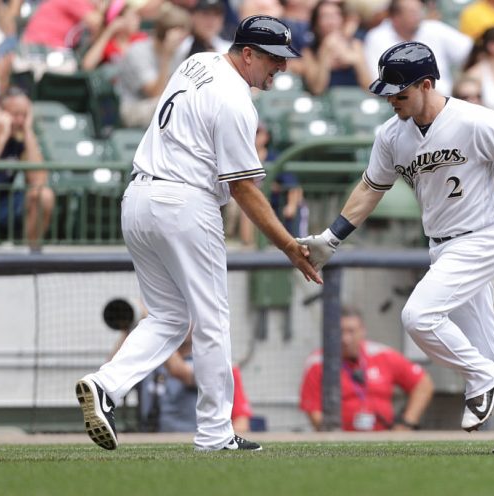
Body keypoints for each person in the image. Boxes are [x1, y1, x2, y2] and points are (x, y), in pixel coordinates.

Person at [75, 15, 322, 453]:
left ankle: (105, 385)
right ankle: (214, 433)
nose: (280, 68)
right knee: (211, 321)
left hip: (138, 199)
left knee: (170, 318)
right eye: (273, 58)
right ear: (246, 53)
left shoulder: (199, 61)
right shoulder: (235, 101)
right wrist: (288, 245)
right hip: (185, 203)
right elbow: (244, 188)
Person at [297, 41, 494, 456]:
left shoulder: (473, 119)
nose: (392, 102)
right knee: (485, 342)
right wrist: (332, 236)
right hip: (441, 244)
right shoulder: (392, 135)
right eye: (388, 95)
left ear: (426, 84)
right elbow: (370, 188)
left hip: (482, 237)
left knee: (418, 317)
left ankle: (482, 376)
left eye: (400, 94)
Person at [300, 306, 434, 431]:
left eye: (351, 331)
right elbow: (314, 411)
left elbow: (423, 384)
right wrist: (333, 435)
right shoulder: (318, 363)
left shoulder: (382, 355)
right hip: (341, 439)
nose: (345, 339)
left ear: (362, 331)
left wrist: (406, 424)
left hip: (385, 438)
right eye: (340, 332)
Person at [0, 87, 54, 247]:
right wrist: (1, 138)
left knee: (44, 195)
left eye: (25, 115)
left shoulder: (22, 136)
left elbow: (39, 180)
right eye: (15, 114)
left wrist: (29, 132)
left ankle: (31, 259)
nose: (20, 121)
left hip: (6, 201)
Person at [142, 336, 253, 433]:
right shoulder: (148, 362)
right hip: (153, 441)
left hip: (197, 443)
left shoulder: (221, 364)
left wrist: (155, 330)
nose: (181, 320)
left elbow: (241, 423)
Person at [363, 0, 472, 96]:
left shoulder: (433, 28)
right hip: (399, 101)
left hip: (444, 100)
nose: (418, 16)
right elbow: (379, 80)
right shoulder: (377, 37)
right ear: (395, 17)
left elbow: (472, 51)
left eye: (419, 11)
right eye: (412, 12)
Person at [115, 4, 192, 128]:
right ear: (165, 34)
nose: (182, 40)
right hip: (134, 109)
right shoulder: (138, 51)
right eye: (180, 35)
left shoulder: (178, 52)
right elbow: (155, 93)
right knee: (173, 105)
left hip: (161, 106)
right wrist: (166, 56)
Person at [299, 0, 371, 96]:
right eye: (325, 16)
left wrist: (356, 61)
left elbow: (370, 89)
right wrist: (325, 53)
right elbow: (317, 89)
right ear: (316, 24)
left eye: (336, 15)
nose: (332, 21)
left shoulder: (355, 45)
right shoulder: (309, 51)